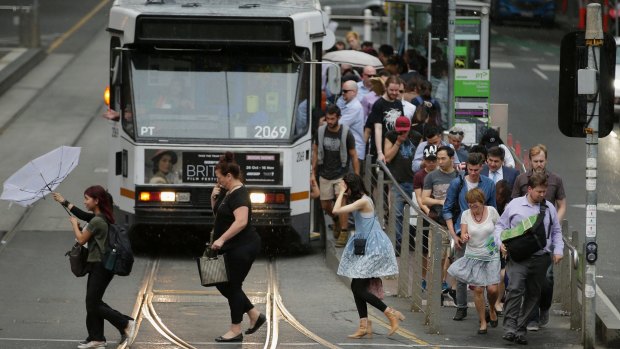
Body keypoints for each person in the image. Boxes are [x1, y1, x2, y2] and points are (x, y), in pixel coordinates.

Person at [59, 185, 135, 349]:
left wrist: (74, 225)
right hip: (98, 264)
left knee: (93, 303)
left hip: (101, 266)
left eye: (87, 199)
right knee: (93, 302)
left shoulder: (98, 221)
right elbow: (83, 215)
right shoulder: (100, 217)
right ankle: (97, 338)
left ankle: (125, 323)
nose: (85, 202)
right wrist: (64, 202)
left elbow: (81, 240)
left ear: (96, 200)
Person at [494, 173, 564, 345]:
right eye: (539, 192)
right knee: (515, 289)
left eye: (544, 191)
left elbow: (556, 231)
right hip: (518, 257)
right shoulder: (514, 205)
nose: (543, 195)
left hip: (540, 258)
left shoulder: (549, 208)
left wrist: (559, 250)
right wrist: (500, 242)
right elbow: (500, 226)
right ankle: (510, 327)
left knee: (533, 294)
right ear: (530, 189)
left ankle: (520, 328)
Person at [334, 173, 404, 338]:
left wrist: (342, 192)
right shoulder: (361, 200)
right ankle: (364, 326)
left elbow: (336, 210)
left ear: (351, 187)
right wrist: (343, 191)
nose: (343, 190)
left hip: (374, 248)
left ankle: (390, 313)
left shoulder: (364, 201)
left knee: (358, 287)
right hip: (366, 246)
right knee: (356, 287)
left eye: (345, 187)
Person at [209, 152, 264, 343]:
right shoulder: (227, 193)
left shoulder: (240, 194)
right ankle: (254, 314)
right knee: (221, 282)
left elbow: (241, 222)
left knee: (232, 286)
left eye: (219, 178)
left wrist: (221, 239)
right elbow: (220, 218)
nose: (218, 181)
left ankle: (235, 330)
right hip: (233, 247)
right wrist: (213, 199)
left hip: (243, 247)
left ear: (229, 176)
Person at [511, 144, 566, 331]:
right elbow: (513, 207)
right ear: (529, 161)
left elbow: (562, 205)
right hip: (526, 239)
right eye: (536, 161)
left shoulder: (556, 180)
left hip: (547, 238)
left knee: (547, 278)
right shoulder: (521, 180)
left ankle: (545, 306)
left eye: (542, 161)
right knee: (529, 279)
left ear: (546, 160)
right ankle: (531, 318)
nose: (539, 164)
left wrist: (552, 224)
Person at [443, 152, 496, 321]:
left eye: (476, 169)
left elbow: (493, 209)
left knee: (487, 272)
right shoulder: (457, 183)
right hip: (462, 229)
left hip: (485, 232)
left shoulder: (489, 184)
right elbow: (447, 209)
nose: (473, 173)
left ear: (482, 167)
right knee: (462, 273)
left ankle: (487, 307)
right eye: (470, 169)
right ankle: (462, 306)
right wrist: (453, 234)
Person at [447, 188, 500, 334]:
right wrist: (464, 237)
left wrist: (501, 243)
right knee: (478, 289)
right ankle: (483, 321)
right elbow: (463, 232)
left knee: (492, 289)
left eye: (475, 205)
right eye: (470, 205)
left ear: (482, 202)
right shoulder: (466, 215)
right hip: (473, 255)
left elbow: (500, 228)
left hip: (491, 254)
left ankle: (492, 308)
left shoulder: (492, 211)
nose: (472, 208)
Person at [312, 105, 359, 247]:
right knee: (325, 204)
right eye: (328, 118)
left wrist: (356, 176)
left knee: (342, 201)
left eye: (333, 119)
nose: (330, 121)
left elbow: (354, 155)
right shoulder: (320, 132)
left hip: (341, 173)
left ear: (338, 117)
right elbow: (315, 153)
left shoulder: (346, 133)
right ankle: (336, 219)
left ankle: (344, 231)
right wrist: (312, 173)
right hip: (324, 173)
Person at [384, 116, 415, 254]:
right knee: (397, 213)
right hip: (398, 181)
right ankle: (397, 244)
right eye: (400, 131)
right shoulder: (391, 136)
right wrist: (398, 142)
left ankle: (412, 241)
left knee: (414, 213)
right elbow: (388, 158)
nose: (402, 133)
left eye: (405, 131)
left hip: (414, 181)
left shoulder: (416, 136)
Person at [413, 144, 439, 288]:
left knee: (441, 249)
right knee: (424, 249)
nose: (431, 162)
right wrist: (427, 211)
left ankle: (439, 280)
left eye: (433, 160)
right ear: (424, 159)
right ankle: (423, 278)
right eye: (429, 160)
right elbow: (419, 197)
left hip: (440, 213)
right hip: (426, 214)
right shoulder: (419, 175)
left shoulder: (441, 173)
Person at [366, 76, 405, 163]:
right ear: (386, 87)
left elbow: (402, 125)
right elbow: (377, 129)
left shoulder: (398, 103)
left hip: (394, 146)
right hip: (381, 146)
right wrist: (380, 152)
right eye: (391, 90)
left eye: (397, 90)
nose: (394, 93)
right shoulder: (379, 104)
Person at [339, 80, 366, 172]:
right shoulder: (348, 105)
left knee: (351, 182)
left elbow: (339, 125)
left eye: (345, 91)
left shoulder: (354, 107)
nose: (343, 93)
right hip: (349, 150)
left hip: (354, 151)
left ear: (354, 92)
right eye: (342, 91)